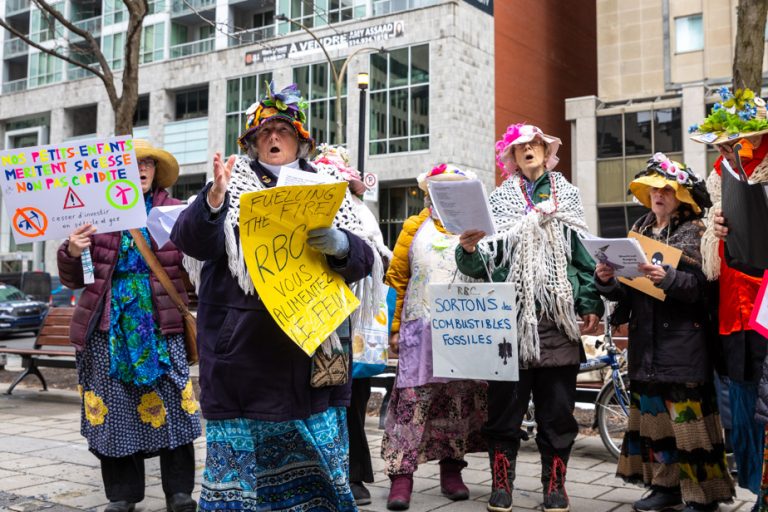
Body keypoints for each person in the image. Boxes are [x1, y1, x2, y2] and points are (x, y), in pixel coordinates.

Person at [170, 82, 376, 511]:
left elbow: (365, 259)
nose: (275, 138)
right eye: (265, 132)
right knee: (242, 478)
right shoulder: (229, 183)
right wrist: (212, 200)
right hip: (244, 355)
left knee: (318, 471)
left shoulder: (329, 186)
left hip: (312, 352)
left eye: (284, 130)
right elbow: (190, 242)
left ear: (301, 141)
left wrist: (341, 245)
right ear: (251, 143)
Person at [455, 123, 603, 512]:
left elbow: (584, 259)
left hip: (557, 322)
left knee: (558, 413)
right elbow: (480, 265)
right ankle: (501, 484)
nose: (529, 149)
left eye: (535, 143)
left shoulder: (567, 196)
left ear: (545, 150)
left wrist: (590, 303)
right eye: (520, 146)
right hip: (509, 322)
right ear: (512, 157)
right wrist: (468, 250)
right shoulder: (499, 200)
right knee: (504, 412)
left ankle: (555, 486)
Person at [57, 139, 202, 512]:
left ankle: (179, 491)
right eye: (131, 163)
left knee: (175, 405)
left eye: (148, 164)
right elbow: (76, 279)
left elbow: (197, 264)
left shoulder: (175, 211)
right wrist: (72, 252)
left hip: (161, 323)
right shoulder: (95, 213)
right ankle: (122, 494)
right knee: (113, 408)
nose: (140, 168)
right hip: (108, 326)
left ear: (155, 172)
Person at [594, 153, 734, 512]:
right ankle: (665, 487)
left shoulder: (696, 232)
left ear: (681, 196)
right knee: (657, 423)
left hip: (683, 343)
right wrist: (606, 281)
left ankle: (705, 496)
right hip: (646, 344)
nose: (658, 195)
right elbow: (627, 291)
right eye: (653, 189)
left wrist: (669, 278)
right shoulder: (638, 230)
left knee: (689, 424)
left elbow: (706, 289)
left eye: (666, 190)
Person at [381, 163, 488, 510]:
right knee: (412, 404)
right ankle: (401, 477)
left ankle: (452, 473)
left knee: (457, 403)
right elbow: (396, 279)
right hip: (420, 331)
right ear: (429, 192)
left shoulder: (480, 228)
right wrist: (393, 329)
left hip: (464, 332)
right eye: (438, 187)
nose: (444, 193)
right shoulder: (414, 226)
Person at [690, 87, 768, 511]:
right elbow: (708, 246)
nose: (723, 145)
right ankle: (760, 491)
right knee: (742, 413)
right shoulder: (720, 173)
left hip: (766, 305)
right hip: (732, 311)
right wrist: (713, 231)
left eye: (731, 137)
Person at [312, 143, 393, 507]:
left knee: (352, 400)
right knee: (327, 399)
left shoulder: (361, 213)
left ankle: (354, 474)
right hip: (320, 321)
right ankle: (329, 472)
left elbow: (381, 257)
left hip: (356, 324)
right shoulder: (314, 208)